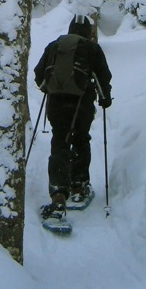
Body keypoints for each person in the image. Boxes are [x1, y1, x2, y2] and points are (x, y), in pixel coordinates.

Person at [34, 15, 112, 225]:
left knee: (59, 140)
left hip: (56, 105)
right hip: (82, 104)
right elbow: (103, 77)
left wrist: (47, 88)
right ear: (87, 32)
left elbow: (39, 75)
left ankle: (58, 194)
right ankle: (79, 186)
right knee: (80, 139)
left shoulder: (54, 46)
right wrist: (105, 100)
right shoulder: (92, 49)